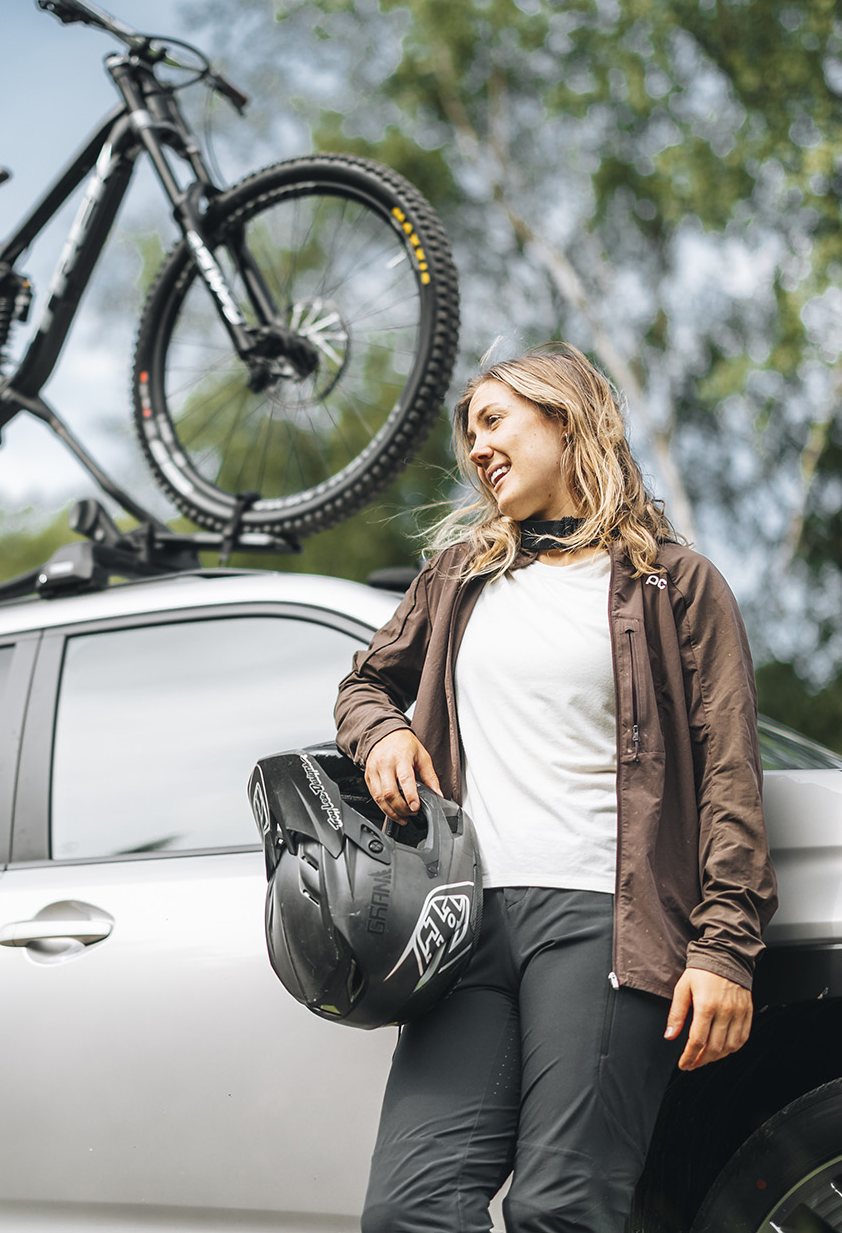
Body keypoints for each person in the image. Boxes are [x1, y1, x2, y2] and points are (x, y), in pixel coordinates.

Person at [334, 345, 776, 1233]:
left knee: (561, 1210)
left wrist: (725, 948)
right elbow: (365, 684)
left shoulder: (676, 585)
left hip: (603, 924)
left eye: (493, 421)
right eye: (469, 434)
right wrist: (381, 733)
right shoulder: (458, 576)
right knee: (408, 1209)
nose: (476, 449)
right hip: (464, 925)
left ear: (565, 419)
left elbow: (731, 775)